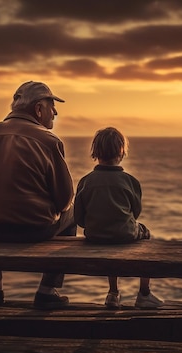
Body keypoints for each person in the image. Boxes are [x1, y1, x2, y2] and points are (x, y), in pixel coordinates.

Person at [0, 81, 77, 309]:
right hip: (33, 230)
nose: (56, 112)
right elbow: (65, 200)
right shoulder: (49, 141)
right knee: (72, 215)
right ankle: (47, 291)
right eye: (52, 105)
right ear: (38, 109)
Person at [74, 127, 164, 309]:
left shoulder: (86, 181)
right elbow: (135, 212)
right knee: (146, 234)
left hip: (95, 235)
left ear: (95, 152)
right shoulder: (130, 181)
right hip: (124, 233)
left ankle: (113, 293)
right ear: (121, 152)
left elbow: (79, 218)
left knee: (109, 244)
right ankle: (144, 293)